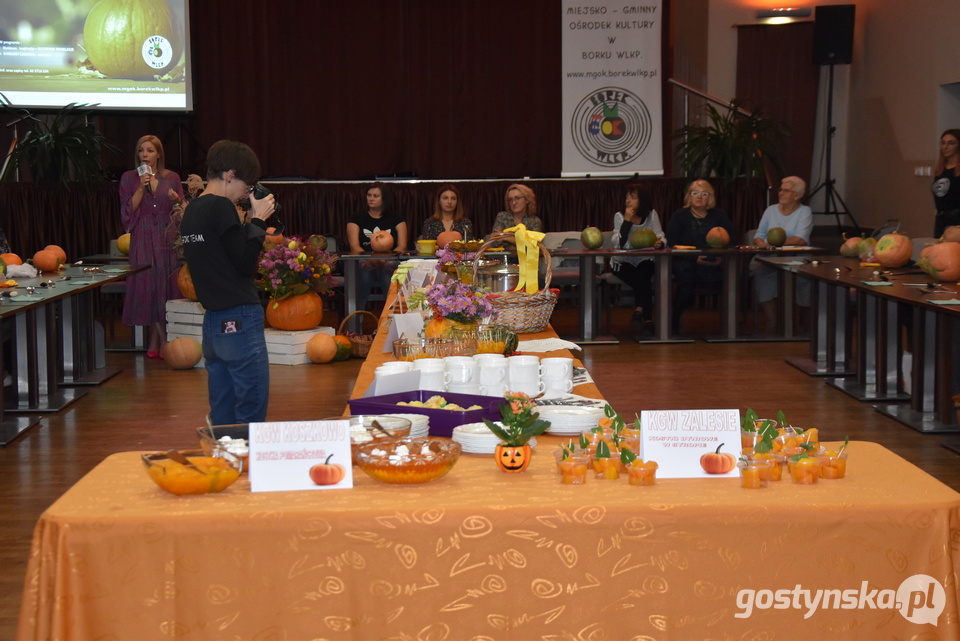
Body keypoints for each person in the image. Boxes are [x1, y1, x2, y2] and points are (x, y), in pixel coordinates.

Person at [179, 140, 276, 426]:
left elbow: (218, 258)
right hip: (240, 316)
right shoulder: (221, 206)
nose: (245, 195)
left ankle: (225, 462)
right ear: (230, 174)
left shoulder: (192, 211)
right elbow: (244, 263)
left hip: (212, 322)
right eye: (247, 188)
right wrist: (258, 220)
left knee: (223, 408)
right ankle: (247, 465)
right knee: (250, 407)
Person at [118, 134, 185, 358]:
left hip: (166, 237)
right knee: (149, 287)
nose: (145, 155)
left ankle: (155, 340)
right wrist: (140, 187)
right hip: (143, 237)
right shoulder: (129, 178)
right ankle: (164, 340)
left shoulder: (172, 177)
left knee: (165, 287)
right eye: (141, 150)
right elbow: (128, 210)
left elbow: (181, 209)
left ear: (158, 154)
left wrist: (176, 200)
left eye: (150, 150)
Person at [665, 179, 735, 333]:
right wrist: (694, 258)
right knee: (687, 277)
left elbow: (731, 239)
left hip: (715, 260)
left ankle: (730, 325)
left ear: (710, 197)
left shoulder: (719, 215)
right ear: (689, 196)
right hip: (686, 260)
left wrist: (720, 257)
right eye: (695, 193)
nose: (699, 197)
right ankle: (674, 321)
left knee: (731, 276)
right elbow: (671, 244)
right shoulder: (679, 216)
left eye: (704, 194)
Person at [750, 176, 814, 329]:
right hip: (768, 256)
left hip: (796, 256)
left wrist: (773, 243)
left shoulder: (805, 212)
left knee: (801, 277)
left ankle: (794, 321)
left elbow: (800, 239)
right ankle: (773, 319)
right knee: (760, 272)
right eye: (780, 189)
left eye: (786, 190)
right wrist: (763, 245)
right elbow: (758, 236)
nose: (781, 193)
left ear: (796, 195)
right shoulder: (770, 210)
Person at [346, 182, 408, 312]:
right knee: (365, 271)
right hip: (365, 260)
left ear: (384, 198)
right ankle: (357, 321)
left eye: (375, 196)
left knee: (388, 271)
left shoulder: (396, 218)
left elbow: (401, 246)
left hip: (389, 261)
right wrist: (372, 259)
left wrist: (384, 259)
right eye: (369, 195)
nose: (371, 198)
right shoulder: (356, 218)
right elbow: (355, 246)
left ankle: (391, 317)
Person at [610, 183, 665, 329]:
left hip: (644, 260)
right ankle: (647, 318)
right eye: (627, 197)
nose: (628, 201)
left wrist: (660, 243)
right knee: (642, 281)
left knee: (644, 271)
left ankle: (640, 311)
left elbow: (660, 235)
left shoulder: (651, 215)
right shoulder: (619, 216)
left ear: (642, 200)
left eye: (633, 198)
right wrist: (627, 221)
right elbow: (619, 243)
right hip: (622, 261)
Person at [932, 129, 960, 237]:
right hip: (941, 219)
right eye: (943, 143)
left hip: (957, 220)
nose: (945, 147)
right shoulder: (940, 170)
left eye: (951, 143)